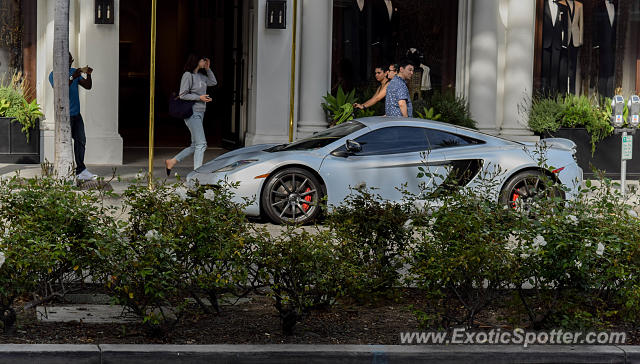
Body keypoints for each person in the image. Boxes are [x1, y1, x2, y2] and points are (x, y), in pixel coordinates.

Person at [165, 54, 217, 175]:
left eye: (205, 60)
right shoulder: (188, 75)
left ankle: (172, 161)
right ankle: (197, 175)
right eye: (203, 60)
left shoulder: (202, 76)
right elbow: (182, 94)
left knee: (195, 145)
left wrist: (208, 68)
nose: (204, 61)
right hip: (192, 112)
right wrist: (200, 97)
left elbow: (213, 82)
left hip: (201, 112)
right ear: (196, 61)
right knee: (202, 144)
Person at [48, 53, 96, 180]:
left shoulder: (74, 72)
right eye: (66, 61)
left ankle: (81, 170)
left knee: (81, 140)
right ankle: (65, 171)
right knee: (65, 144)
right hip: (65, 116)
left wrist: (89, 74)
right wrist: (71, 77)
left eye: (70, 61)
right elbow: (60, 89)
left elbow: (88, 86)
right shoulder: (54, 74)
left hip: (76, 115)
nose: (69, 63)